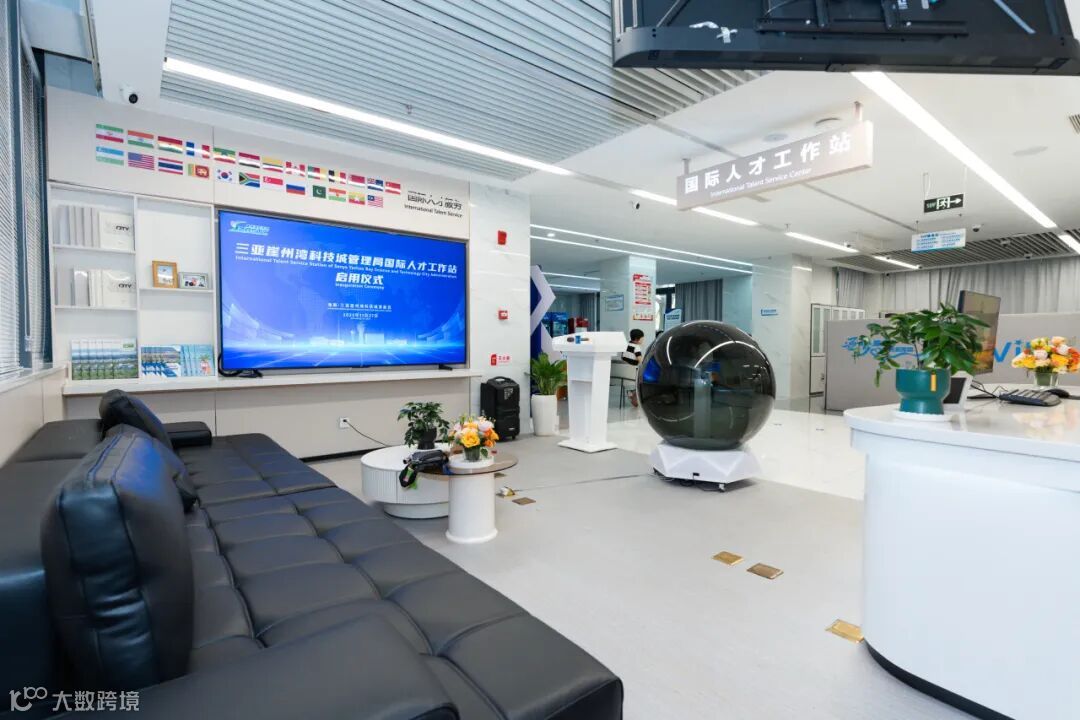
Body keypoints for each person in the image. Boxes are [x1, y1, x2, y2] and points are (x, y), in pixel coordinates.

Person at [621, 328, 645, 407]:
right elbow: (641, 361)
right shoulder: (636, 348)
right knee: (644, 379)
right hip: (633, 374)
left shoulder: (625, 345)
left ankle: (632, 394)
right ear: (637, 339)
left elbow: (623, 358)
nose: (643, 340)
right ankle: (633, 393)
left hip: (623, 374)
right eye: (642, 338)